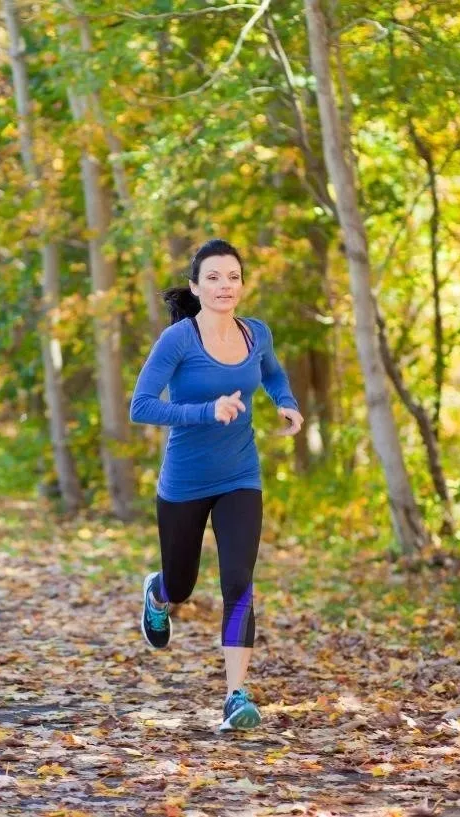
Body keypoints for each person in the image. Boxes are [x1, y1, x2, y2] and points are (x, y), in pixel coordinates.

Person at [129, 238, 303, 733]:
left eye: (232, 277)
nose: (224, 286)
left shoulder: (257, 334)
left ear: (242, 284)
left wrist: (284, 401)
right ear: (195, 286)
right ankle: (158, 595)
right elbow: (140, 406)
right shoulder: (179, 340)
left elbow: (272, 373)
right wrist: (206, 411)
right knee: (182, 585)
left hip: (240, 476)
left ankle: (235, 696)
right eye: (213, 278)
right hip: (184, 482)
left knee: (238, 583)